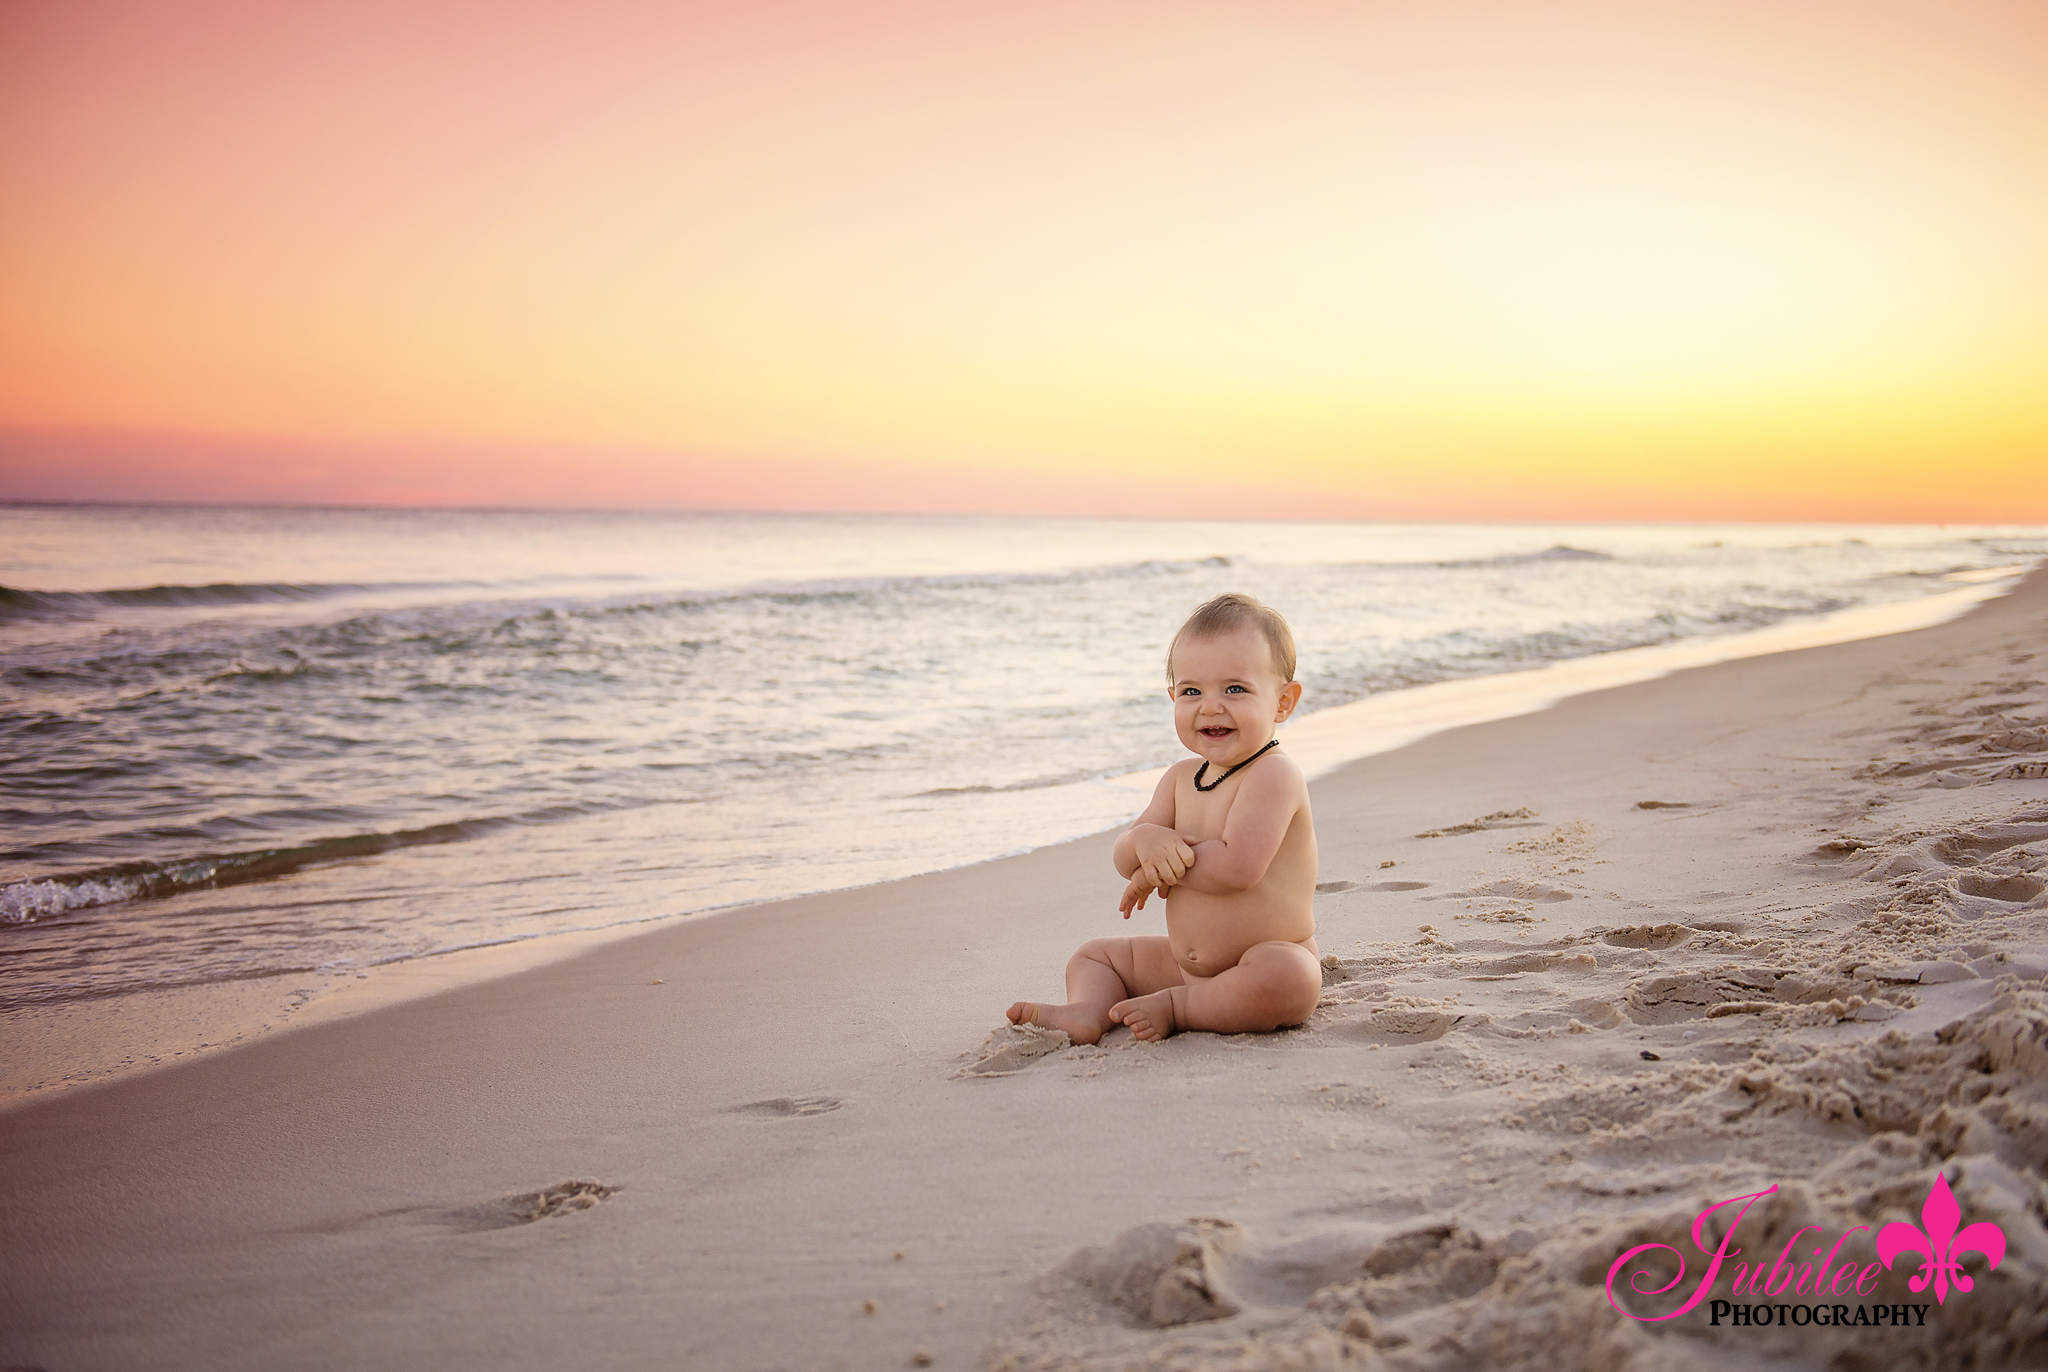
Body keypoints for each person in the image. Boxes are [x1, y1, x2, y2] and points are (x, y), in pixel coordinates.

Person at [1007, 593, 1321, 1043]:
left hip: (1262, 960)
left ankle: (1179, 1007)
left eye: (1235, 688)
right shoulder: (1179, 779)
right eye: (1192, 691)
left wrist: (1163, 863)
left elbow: (1239, 867)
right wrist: (1145, 842)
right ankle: (1087, 1012)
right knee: (1094, 956)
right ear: (1173, 697)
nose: (1210, 706)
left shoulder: (1274, 775)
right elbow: (1124, 856)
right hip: (1183, 964)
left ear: (1283, 703)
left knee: (1292, 979)